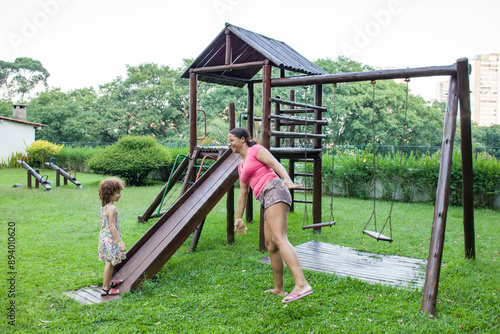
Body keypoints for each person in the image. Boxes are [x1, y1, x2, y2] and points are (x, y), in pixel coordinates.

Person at [228, 127, 313, 303]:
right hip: (265, 198)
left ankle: (302, 284)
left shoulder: (256, 150)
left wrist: (287, 178)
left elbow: (275, 164)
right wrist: (238, 217)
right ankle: (279, 289)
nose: (229, 144)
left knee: (280, 238)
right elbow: (243, 193)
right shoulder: (241, 164)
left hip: (275, 189)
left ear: (243, 139)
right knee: (271, 244)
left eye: (231, 140)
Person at [98, 177, 126, 296]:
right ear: (110, 194)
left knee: (109, 262)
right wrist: (119, 241)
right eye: (117, 193)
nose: (120, 195)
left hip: (104, 237)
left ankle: (109, 282)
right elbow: (112, 226)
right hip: (111, 238)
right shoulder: (112, 208)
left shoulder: (104, 206)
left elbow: (103, 224)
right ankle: (105, 288)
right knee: (109, 263)